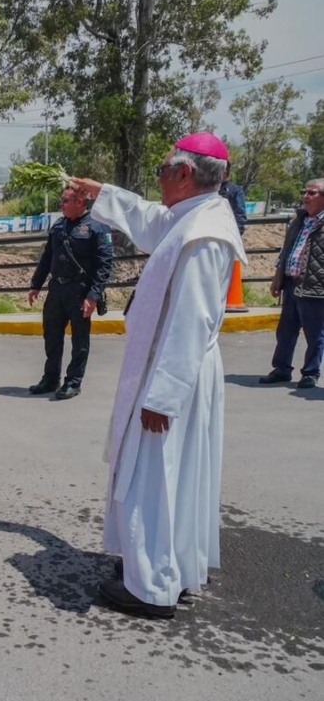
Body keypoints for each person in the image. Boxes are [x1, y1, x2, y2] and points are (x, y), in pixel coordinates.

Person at [69, 132, 248, 619]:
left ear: (184, 174)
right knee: (164, 477)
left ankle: (151, 586)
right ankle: (161, 566)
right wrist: (101, 193)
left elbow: (192, 320)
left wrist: (162, 398)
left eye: (162, 170)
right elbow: (148, 219)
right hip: (167, 368)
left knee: (157, 478)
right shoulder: (191, 216)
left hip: (172, 376)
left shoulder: (204, 234)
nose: (159, 178)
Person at [26, 188, 113, 400]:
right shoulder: (59, 226)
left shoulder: (97, 227)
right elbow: (47, 257)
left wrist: (93, 295)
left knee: (79, 340)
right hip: (57, 289)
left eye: (65, 200)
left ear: (80, 201)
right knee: (51, 336)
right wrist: (36, 284)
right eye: (61, 199)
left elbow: (104, 264)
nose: (61, 204)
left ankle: (73, 382)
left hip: (80, 290)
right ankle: (50, 379)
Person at [258, 178, 324, 390]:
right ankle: (281, 369)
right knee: (285, 330)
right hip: (291, 284)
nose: (306, 196)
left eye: (312, 193)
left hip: (315, 287)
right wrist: (277, 277)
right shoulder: (299, 220)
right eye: (304, 192)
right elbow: (286, 250)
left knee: (314, 334)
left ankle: (310, 373)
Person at [218, 169, 247, 235]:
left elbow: (240, 215)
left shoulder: (235, 190)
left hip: (227, 232)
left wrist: (236, 233)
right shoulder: (209, 189)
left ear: (225, 173)